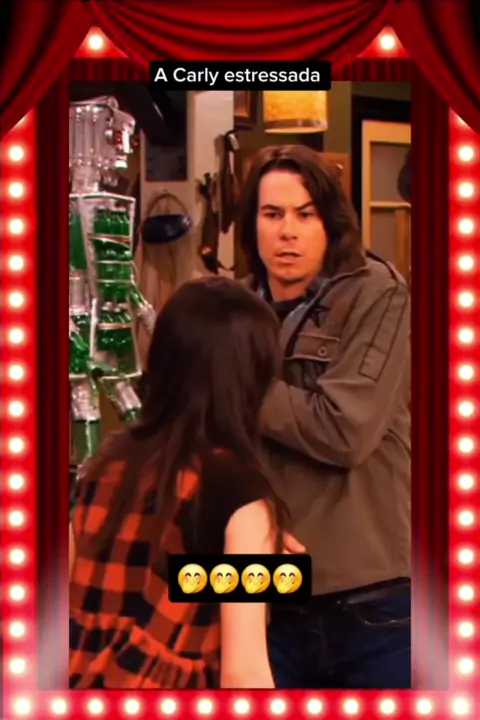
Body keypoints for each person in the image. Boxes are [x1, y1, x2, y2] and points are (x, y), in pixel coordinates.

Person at [69, 276, 302, 690]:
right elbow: (244, 673)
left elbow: (146, 580)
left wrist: (272, 568)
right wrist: (255, 542)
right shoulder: (239, 495)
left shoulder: (104, 466)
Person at [239, 145, 411, 689]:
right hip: (259, 592)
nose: (287, 231)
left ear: (330, 222)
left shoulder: (379, 294)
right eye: (272, 214)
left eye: (305, 214)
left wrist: (232, 385)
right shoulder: (230, 308)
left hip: (368, 602)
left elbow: (345, 430)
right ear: (252, 224)